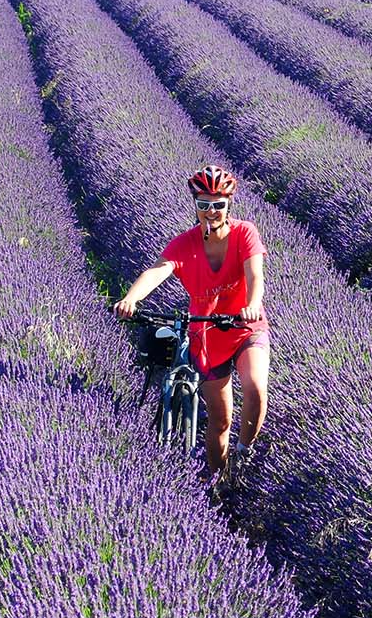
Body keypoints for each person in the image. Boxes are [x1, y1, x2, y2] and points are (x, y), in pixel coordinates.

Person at [114, 165, 269, 481]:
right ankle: (217, 483)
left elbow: (255, 274)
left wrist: (252, 305)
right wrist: (131, 298)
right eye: (204, 205)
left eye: (218, 204)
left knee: (254, 388)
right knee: (220, 420)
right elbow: (158, 270)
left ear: (228, 205)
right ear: (195, 205)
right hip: (207, 334)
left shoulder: (244, 233)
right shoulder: (184, 244)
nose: (211, 212)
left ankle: (244, 452)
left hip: (244, 326)